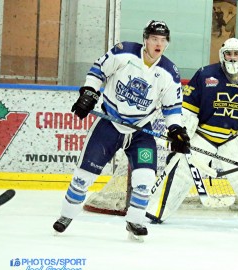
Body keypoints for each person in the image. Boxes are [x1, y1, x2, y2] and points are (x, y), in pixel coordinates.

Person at [52, 20, 190, 241]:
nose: (158, 44)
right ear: (145, 39)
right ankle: (66, 215)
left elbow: (172, 107)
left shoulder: (169, 72)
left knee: (145, 179)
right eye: (154, 39)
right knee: (83, 177)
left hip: (141, 130)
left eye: (162, 40)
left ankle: (135, 221)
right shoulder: (123, 53)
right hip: (109, 124)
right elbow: (98, 71)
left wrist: (176, 130)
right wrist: (89, 93)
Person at [148, 37, 238, 230]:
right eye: (229, 53)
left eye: (236, 54)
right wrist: (184, 130)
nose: (232, 58)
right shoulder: (205, 74)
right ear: (222, 55)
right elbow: (186, 107)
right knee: (180, 170)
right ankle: (156, 208)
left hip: (233, 138)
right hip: (203, 135)